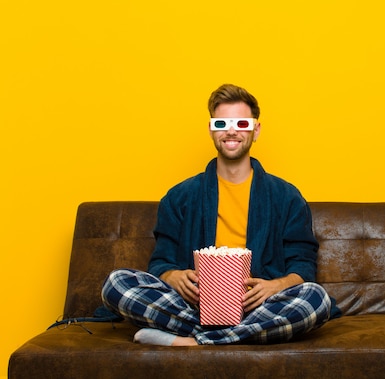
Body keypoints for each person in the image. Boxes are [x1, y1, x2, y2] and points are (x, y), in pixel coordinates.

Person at [101, 83, 340, 346]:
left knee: (315, 300)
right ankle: (233, 337)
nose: (231, 131)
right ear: (211, 129)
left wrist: (275, 286)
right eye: (221, 123)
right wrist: (174, 276)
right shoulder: (180, 196)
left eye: (241, 123)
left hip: (260, 307)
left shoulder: (287, 197)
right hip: (194, 306)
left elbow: (303, 266)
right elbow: (160, 263)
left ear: (255, 130)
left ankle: (191, 341)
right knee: (117, 283)